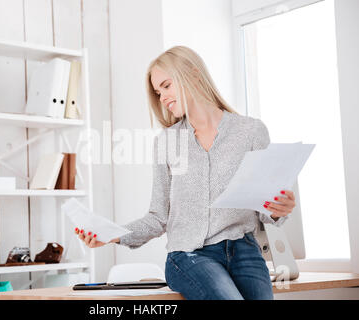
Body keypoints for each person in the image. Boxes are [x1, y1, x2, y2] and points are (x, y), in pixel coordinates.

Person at [74, 46, 295, 300]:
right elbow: (158, 217)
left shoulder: (251, 131)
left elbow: (264, 208)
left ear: (193, 73)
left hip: (245, 251)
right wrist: (113, 234)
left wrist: (279, 209)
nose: (163, 98)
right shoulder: (166, 142)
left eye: (167, 86)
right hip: (190, 256)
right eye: (158, 92)